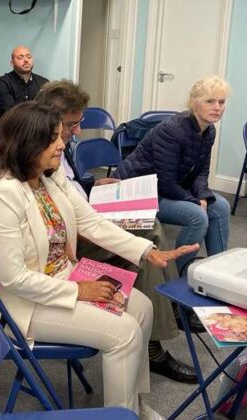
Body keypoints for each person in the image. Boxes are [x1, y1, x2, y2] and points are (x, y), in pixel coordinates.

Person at [0, 101, 198, 416]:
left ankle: (132, 405)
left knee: (142, 307)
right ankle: (120, 414)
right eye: (52, 139)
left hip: (61, 279)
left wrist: (147, 251)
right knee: (125, 332)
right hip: (23, 303)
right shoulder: (1, 197)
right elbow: (14, 279)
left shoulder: (47, 179)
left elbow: (91, 222)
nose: (62, 144)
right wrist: (80, 290)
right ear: (26, 143)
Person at [35, 79, 198, 383]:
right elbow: (59, 221)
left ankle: (165, 314)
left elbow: (68, 191)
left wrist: (90, 187)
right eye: (72, 124)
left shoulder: (58, 151)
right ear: (49, 122)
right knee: (147, 237)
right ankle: (157, 338)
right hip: (67, 244)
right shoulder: (36, 162)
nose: (77, 132)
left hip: (84, 219)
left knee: (149, 229)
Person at [115, 75, 231, 274]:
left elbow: (201, 171)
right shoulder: (173, 130)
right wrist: (194, 202)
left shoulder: (208, 130)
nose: (217, 107)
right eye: (210, 101)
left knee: (220, 206)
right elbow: (165, 182)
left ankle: (217, 273)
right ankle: (179, 279)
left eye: (221, 102)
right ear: (195, 103)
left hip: (163, 188)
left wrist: (202, 195)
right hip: (136, 191)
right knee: (197, 216)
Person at [0, 45, 49, 127]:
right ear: (12, 63)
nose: (26, 60)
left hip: (38, 131)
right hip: (12, 132)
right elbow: (10, 114)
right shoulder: (3, 83)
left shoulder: (44, 83)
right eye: (20, 57)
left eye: (29, 57)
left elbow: (49, 112)